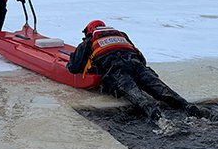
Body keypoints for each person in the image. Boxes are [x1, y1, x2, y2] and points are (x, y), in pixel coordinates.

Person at [66, 20, 202, 122]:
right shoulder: (121, 35)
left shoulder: (90, 41)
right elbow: (141, 58)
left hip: (117, 70)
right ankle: (188, 107)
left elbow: (73, 67)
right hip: (138, 66)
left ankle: (158, 118)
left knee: (137, 97)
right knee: (162, 90)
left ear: (89, 31)